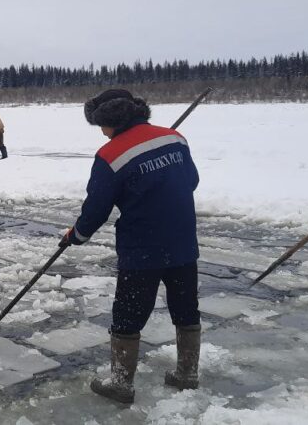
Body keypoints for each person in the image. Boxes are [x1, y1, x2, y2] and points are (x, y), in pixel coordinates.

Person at [59, 89, 201, 404]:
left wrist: (76, 236)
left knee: (127, 315)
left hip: (142, 250)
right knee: (186, 309)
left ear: (109, 121)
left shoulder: (111, 155)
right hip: (182, 243)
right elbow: (190, 180)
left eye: (100, 125)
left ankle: (122, 385)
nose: (101, 132)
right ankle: (187, 374)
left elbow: (96, 209)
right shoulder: (175, 138)